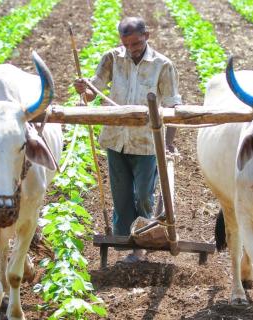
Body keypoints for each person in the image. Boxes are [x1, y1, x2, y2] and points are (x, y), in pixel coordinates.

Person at [74, 17, 182, 263]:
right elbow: (94, 91)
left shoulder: (163, 65)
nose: (131, 48)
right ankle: (126, 245)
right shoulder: (112, 58)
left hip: (147, 142)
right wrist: (84, 89)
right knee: (121, 195)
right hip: (116, 139)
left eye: (136, 42)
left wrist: (167, 142)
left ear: (147, 35)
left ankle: (141, 244)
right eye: (126, 43)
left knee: (144, 194)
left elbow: (173, 105)